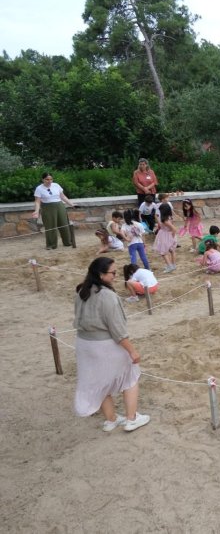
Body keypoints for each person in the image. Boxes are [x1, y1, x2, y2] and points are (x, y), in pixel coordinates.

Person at [73, 257, 149, 432]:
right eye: (113, 273)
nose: (116, 275)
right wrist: (132, 351)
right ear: (101, 274)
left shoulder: (81, 291)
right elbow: (117, 330)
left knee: (98, 380)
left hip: (84, 344)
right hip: (103, 344)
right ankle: (131, 418)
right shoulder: (107, 296)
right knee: (130, 375)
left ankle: (111, 419)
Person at [32, 172, 75, 249]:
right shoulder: (39, 188)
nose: (49, 181)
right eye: (47, 179)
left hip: (60, 206)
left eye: (51, 179)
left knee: (64, 224)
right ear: (43, 179)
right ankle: (51, 245)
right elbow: (37, 201)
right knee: (50, 226)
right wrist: (36, 211)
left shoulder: (56, 185)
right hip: (47, 208)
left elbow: (63, 196)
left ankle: (68, 242)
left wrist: (71, 204)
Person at [153, 202, 178, 273]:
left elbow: (174, 229)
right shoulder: (169, 217)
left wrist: (171, 238)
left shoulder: (165, 220)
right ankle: (173, 265)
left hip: (166, 236)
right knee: (172, 251)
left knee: (163, 252)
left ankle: (170, 266)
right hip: (168, 235)